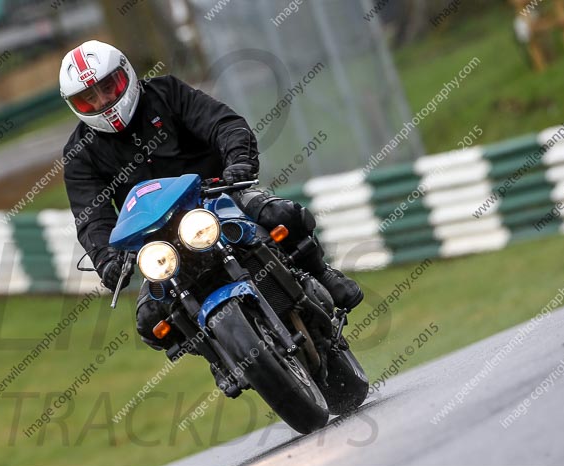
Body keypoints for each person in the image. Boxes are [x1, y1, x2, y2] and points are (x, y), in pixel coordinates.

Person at [59, 40, 363, 352]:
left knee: (283, 216)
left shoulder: (167, 93)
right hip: (156, 240)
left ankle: (323, 274)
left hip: (217, 196)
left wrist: (239, 161)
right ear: (75, 106)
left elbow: (222, 123)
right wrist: (105, 258)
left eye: (109, 87)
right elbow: (90, 214)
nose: (103, 101)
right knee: (151, 323)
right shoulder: (80, 153)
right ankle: (219, 354)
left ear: (125, 74)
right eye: (89, 99)